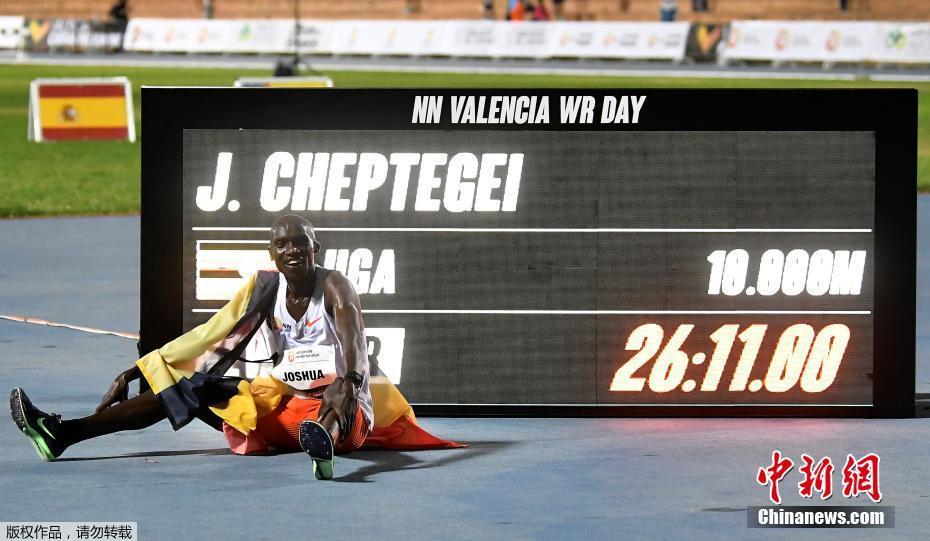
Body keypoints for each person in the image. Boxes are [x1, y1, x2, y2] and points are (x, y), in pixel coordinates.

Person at [10, 215, 460, 480]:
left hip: (344, 414)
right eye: (282, 244)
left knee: (343, 385)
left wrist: (353, 380)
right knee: (193, 388)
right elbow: (207, 335)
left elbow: (355, 342)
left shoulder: (336, 287)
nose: (292, 251)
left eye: (300, 243)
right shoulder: (263, 288)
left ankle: (326, 451)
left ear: (315, 247)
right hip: (283, 411)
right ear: (272, 253)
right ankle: (63, 433)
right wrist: (141, 368)